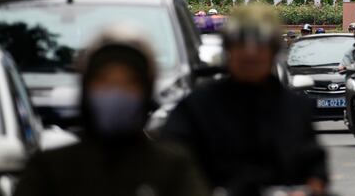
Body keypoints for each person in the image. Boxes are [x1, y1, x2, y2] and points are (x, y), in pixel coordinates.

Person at [15, 26, 209, 196]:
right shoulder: (50, 170)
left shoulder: (173, 169)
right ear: (87, 88)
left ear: (146, 91)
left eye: (128, 83)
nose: (116, 93)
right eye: (105, 82)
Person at [163, 5, 329, 196]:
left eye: (260, 45)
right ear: (228, 50)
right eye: (241, 44)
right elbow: (172, 162)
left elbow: (315, 169)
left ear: (273, 52)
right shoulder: (198, 106)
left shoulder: (294, 109)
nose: (251, 53)